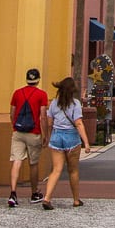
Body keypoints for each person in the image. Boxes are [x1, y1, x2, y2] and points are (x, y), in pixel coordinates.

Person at [42, 76, 91, 209]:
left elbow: (49, 122)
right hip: (71, 138)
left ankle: (47, 197)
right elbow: (79, 123)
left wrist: (47, 137)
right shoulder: (75, 104)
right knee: (73, 170)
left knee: (56, 170)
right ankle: (76, 199)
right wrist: (86, 142)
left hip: (56, 137)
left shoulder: (54, 103)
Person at [8, 67, 49, 208]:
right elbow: (43, 116)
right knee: (33, 163)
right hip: (34, 132)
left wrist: (14, 126)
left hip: (18, 132)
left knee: (16, 161)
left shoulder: (17, 93)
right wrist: (45, 134)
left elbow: (12, 113)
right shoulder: (42, 94)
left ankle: (13, 193)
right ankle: (34, 193)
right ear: (38, 80)